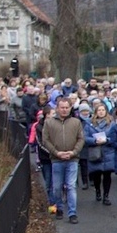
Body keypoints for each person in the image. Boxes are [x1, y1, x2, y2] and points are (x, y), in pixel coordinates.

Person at [42, 96, 84, 224]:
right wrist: (56, 153)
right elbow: (45, 140)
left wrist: (74, 152)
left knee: (71, 186)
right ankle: (59, 208)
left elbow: (81, 139)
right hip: (56, 159)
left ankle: (72, 213)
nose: (65, 110)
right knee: (57, 187)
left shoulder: (76, 122)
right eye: (62, 108)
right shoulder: (49, 123)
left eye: (67, 107)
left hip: (73, 159)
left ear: (70, 108)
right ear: (57, 108)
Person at [84, 101, 115, 205]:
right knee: (97, 174)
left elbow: (115, 137)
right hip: (95, 151)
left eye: (103, 110)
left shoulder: (111, 123)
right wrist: (94, 141)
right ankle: (98, 191)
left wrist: (108, 140)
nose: (101, 112)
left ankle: (106, 196)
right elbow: (85, 137)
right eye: (99, 110)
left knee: (107, 175)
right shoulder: (89, 123)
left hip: (108, 151)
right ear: (95, 112)